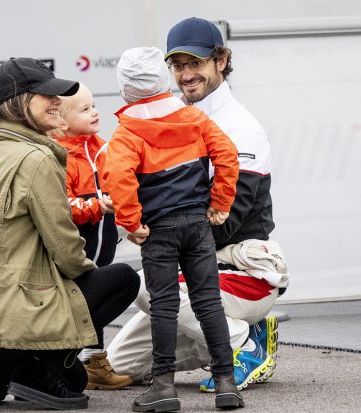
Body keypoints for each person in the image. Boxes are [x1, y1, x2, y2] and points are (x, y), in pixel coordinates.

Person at [0, 57, 140, 411]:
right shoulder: (37, 160)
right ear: (18, 103)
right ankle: (33, 362)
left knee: (75, 376)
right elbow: (66, 251)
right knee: (123, 279)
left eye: (57, 95)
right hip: (20, 308)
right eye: (44, 95)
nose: (56, 102)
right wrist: (89, 284)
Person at [106, 17, 290, 393]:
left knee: (146, 285)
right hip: (192, 265)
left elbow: (229, 220)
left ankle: (244, 343)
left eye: (196, 63)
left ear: (221, 61)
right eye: (177, 65)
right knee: (118, 365)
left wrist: (159, 235)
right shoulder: (166, 113)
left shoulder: (241, 126)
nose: (186, 75)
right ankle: (219, 338)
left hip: (242, 264)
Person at [104, 47, 243, 412]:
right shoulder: (194, 118)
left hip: (158, 230)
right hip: (198, 223)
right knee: (208, 302)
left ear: (125, 89)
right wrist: (220, 203)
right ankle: (227, 382)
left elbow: (117, 177)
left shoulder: (126, 133)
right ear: (164, 80)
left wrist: (131, 223)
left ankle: (163, 387)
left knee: (163, 306)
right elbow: (227, 154)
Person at [53, 83, 132, 390]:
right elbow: (62, 205)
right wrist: (97, 206)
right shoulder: (60, 156)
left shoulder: (102, 148)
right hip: (76, 255)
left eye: (94, 105)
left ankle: (94, 361)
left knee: (97, 301)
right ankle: (72, 359)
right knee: (82, 304)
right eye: (85, 109)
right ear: (61, 120)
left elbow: (120, 187)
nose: (95, 112)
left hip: (104, 250)